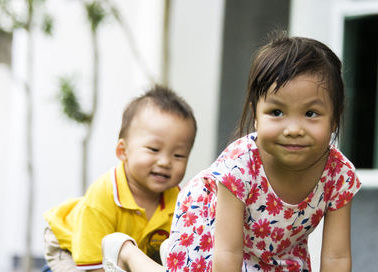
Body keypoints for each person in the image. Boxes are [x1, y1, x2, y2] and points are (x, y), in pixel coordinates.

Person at [104, 32, 361, 272]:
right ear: (256, 116)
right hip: (212, 232)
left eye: (311, 114)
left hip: (276, 251)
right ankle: (126, 252)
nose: (293, 129)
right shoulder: (240, 165)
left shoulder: (339, 175)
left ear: (334, 120)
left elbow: (336, 256)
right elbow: (227, 252)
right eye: (276, 112)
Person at [42, 84, 197, 272]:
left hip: (117, 256)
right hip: (72, 246)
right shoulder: (104, 194)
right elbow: (92, 263)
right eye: (153, 149)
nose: (165, 162)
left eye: (178, 155)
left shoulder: (181, 202)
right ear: (123, 151)